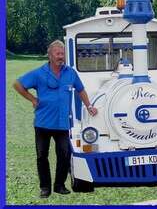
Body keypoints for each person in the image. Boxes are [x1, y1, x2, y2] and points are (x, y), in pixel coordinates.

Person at [13, 40, 98, 198]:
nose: (61, 56)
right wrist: (32, 99)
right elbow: (17, 84)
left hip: (62, 123)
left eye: (62, 54)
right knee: (42, 156)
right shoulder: (39, 73)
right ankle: (45, 187)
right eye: (57, 54)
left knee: (64, 155)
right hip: (43, 123)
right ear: (50, 55)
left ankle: (59, 185)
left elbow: (81, 90)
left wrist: (89, 106)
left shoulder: (70, 73)